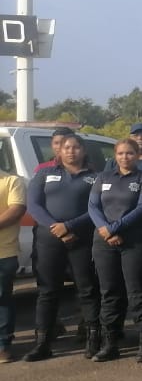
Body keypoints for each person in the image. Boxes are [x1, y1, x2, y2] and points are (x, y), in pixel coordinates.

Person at [24, 134, 101, 362]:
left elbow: (96, 208)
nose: (71, 151)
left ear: (83, 150)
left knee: (86, 289)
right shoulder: (44, 174)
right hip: (49, 240)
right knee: (48, 291)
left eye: (76, 147)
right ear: (59, 151)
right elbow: (34, 205)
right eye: (67, 147)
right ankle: (43, 343)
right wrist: (54, 227)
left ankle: (92, 338)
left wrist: (69, 226)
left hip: (81, 239)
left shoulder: (95, 178)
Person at [88, 139, 142, 362]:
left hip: (134, 242)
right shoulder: (103, 177)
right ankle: (110, 343)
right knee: (109, 292)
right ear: (114, 156)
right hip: (104, 241)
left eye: (129, 153)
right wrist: (104, 229)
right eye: (120, 153)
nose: (125, 157)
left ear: (137, 155)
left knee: (137, 291)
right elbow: (93, 206)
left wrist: (115, 228)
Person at [0, 163, 26, 362]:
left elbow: (16, 210)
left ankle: (3, 346)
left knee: (2, 299)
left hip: (3, 252)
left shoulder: (11, 181)